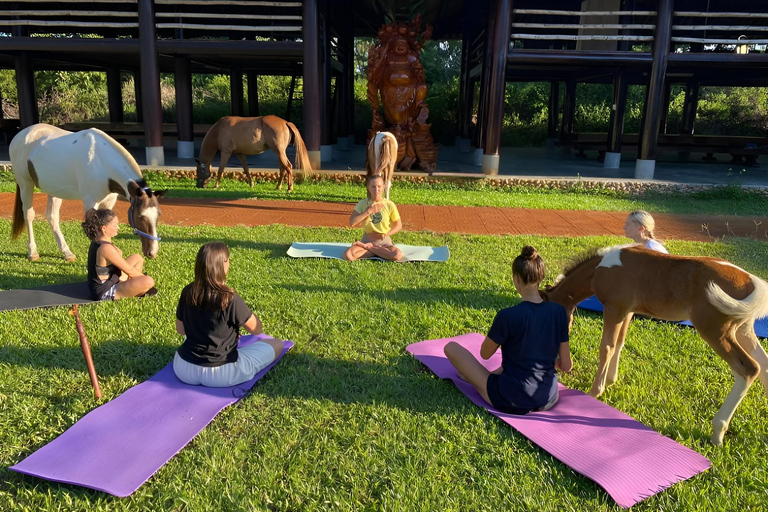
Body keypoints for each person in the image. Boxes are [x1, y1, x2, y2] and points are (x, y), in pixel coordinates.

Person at [444, 245, 572, 414]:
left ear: (515, 279)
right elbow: (566, 365)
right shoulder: (559, 312)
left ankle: (478, 377)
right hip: (548, 398)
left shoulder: (507, 316)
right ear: (541, 277)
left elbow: (485, 354)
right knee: (517, 361)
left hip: (510, 398)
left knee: (451, 348)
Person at [173, 242, 285, 387]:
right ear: (223, 264)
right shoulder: (229, 298)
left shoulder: (187, 291)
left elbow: (181, 330)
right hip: (222, 374)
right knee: (277, 344)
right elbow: (257, 330)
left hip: (183, 368)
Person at [81, 208, 156, 301]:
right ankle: (137, 291)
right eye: (115, 225)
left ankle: (134, 287)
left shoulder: (100, 240)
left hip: (112, 279)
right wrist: (145, 280)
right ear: (104, 228)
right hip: (105, 291)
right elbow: (130, 271)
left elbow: (118, 255)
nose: (118, 227)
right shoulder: (105, 248)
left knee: (137, 258)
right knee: (148, 281)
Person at [343, 175, 403, 261]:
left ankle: (368, 248)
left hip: (384, 242)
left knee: (397, 255)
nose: (376, 189)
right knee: (348, 255)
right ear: (368, 187)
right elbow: (352, 222)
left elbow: (398, 226)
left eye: (379, 186)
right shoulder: (363, 203)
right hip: (367, 240)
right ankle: (378, 252)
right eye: (373, 186)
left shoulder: (389, 204)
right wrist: (368, 211)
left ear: (383, 187)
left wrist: (386, 234)